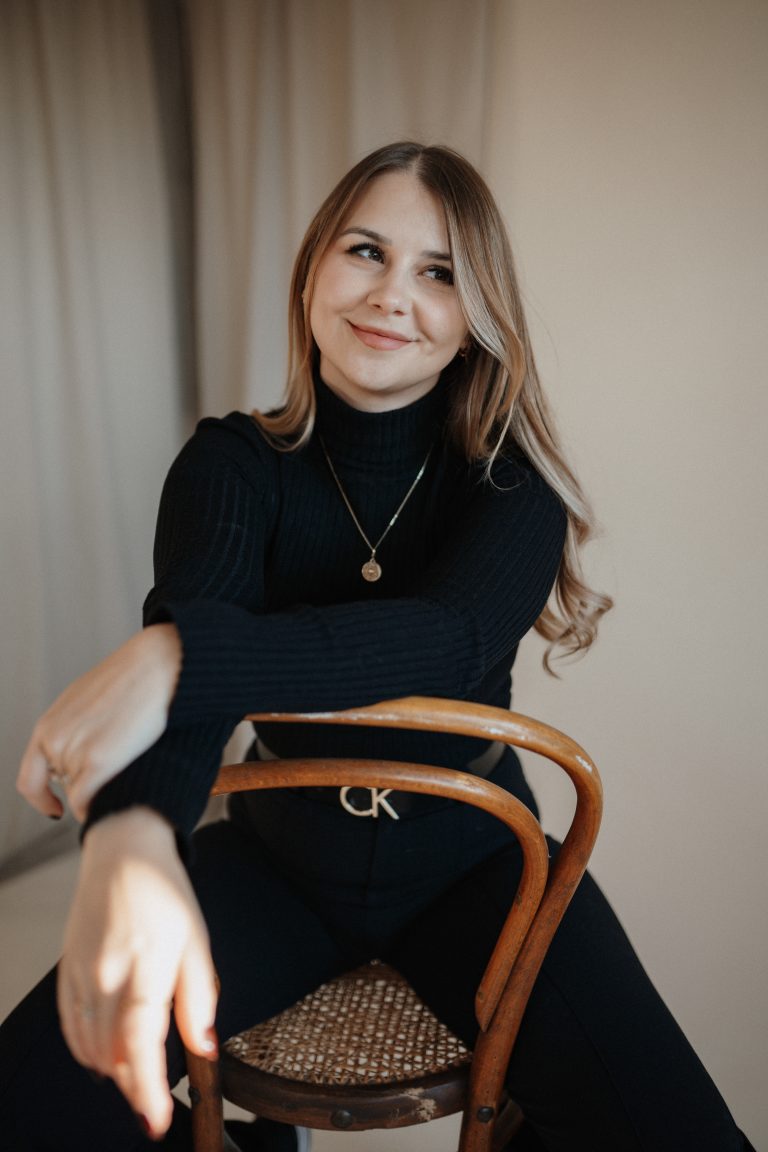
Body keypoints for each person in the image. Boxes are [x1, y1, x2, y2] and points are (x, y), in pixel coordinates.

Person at [0, 142, 753, 1152]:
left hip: (480, 867)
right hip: (277, 860)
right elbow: (190, 664)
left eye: (439, 272)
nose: (393, 294)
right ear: (314, 266)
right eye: (366, 251)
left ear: (475, 316)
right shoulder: (232, 464)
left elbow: (448, 640)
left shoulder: (510, 484)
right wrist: (134, 837)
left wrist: (183, 657)